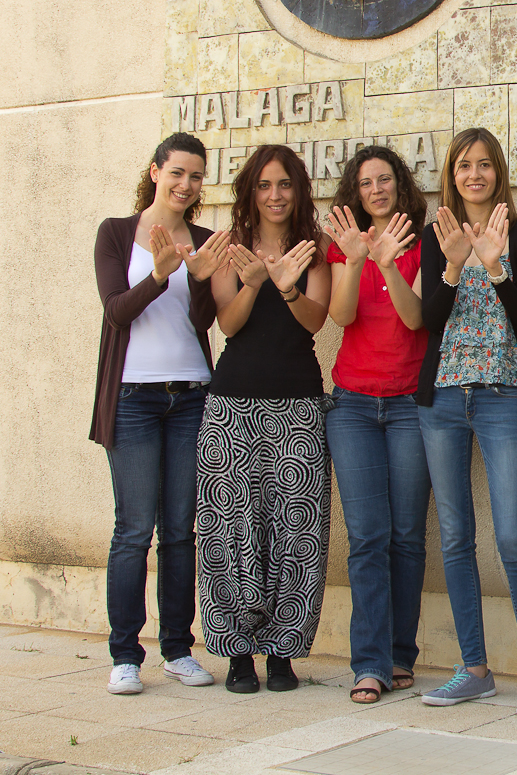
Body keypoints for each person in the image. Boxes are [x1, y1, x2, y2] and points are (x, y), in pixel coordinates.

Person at [415, 128, 517, 718]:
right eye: (463, 165)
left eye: (485, 164)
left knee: (513, 537)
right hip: (443, 397)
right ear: (451, 173)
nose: (474, 174)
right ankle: (473, 668)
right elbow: (428, 320)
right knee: (454, 536)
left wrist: (496, 266)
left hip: (502, 398)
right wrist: (450, 266)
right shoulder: (435, 233)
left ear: (499, 171)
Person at [91, 132, 229, 695]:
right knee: (133, 530)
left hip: (191, 394)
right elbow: (116, 312)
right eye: (177, 173)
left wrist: (196, 277)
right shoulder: (118, 234)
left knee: (179, 530)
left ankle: (177, 648)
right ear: (154, 172)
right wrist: (158, 272)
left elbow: (205, 323)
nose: (186, 185)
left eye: (196, 176)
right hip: (134, 399)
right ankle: (125, 654)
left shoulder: (203, 240)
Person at [196, 144, 333, 695]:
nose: (275, 196)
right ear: (250, 192)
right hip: (231, 406)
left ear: (298, 190)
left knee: (297, 531)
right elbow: (227, 325)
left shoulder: (315, 249)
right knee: (232, 532)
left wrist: (286, 283)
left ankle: (282, 653)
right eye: (264, 186)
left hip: (297, 404)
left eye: (285, 185)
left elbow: (315, 321)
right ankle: (236, 654)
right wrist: (253, 280)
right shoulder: (228, 248)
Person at [322, 145, 429, 704]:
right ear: (356, 193)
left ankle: (399, 653)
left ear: (400, 184)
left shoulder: (422, 245)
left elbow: (416, 321)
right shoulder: (344, 248)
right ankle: (368, 662)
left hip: (412, 404)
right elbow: (339, 318)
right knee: (368, 536)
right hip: (355, 406)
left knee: (407, 537)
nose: (377, 189)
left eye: (385, 179)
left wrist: (389, 260)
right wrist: (358, 257)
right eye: (365, 183)